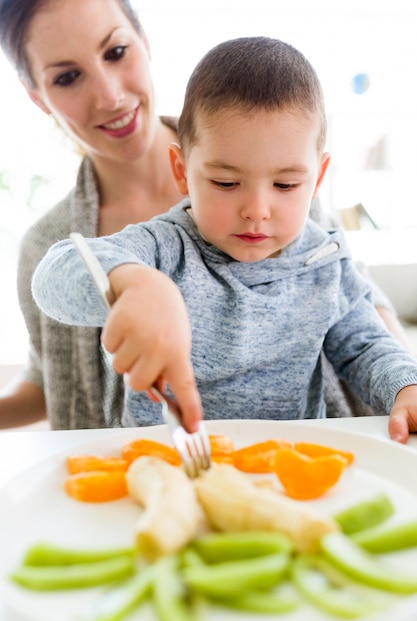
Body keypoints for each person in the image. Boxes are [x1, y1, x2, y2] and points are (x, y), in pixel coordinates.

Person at [32, 36, 417, 443]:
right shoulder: (163, 248)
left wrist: (405, 387)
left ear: (318, 179)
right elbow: (56, 272)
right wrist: (134, 282)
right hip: (169, 462)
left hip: (284, 466)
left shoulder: (325, 262)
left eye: (285, 184)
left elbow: (365, 346)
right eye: (226, 182)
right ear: (182, 171)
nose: (256, 209)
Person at [0, 0, 184, 429]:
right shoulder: (47, 247)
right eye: (67, 77)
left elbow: (352, 299)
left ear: (144, 40)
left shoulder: (254, 167)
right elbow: (49, 381)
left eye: (116, 52)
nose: (109, 96)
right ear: (38, 98)